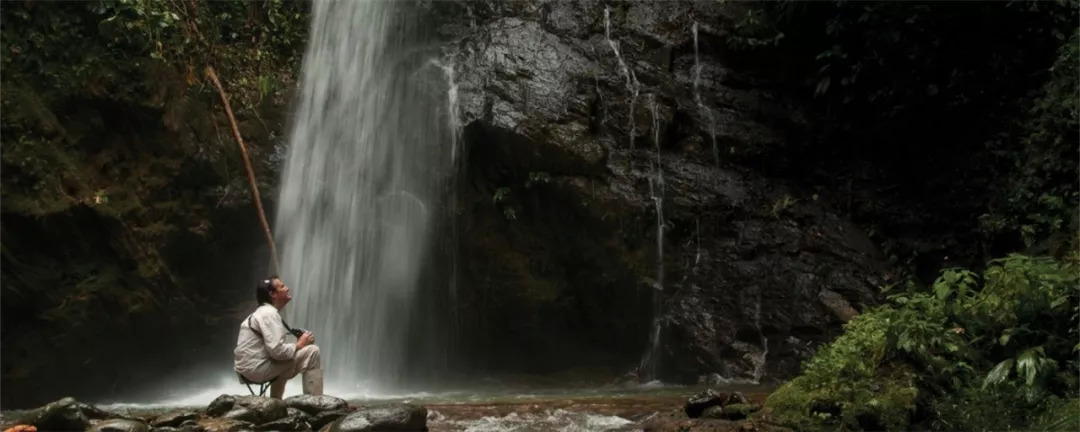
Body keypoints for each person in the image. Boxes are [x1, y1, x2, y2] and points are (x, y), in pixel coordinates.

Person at [234, 276, 323, 398]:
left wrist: (298, 345)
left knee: (285, 358)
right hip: (256, 369)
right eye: (282, 286)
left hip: (247, 368)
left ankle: (276, 402)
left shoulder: (262, 312)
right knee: (312, 352)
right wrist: (299, 345)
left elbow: (275, 351)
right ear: (272, 294)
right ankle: (315, 401)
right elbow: (277, 351)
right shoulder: (269, 314)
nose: (287, 288)